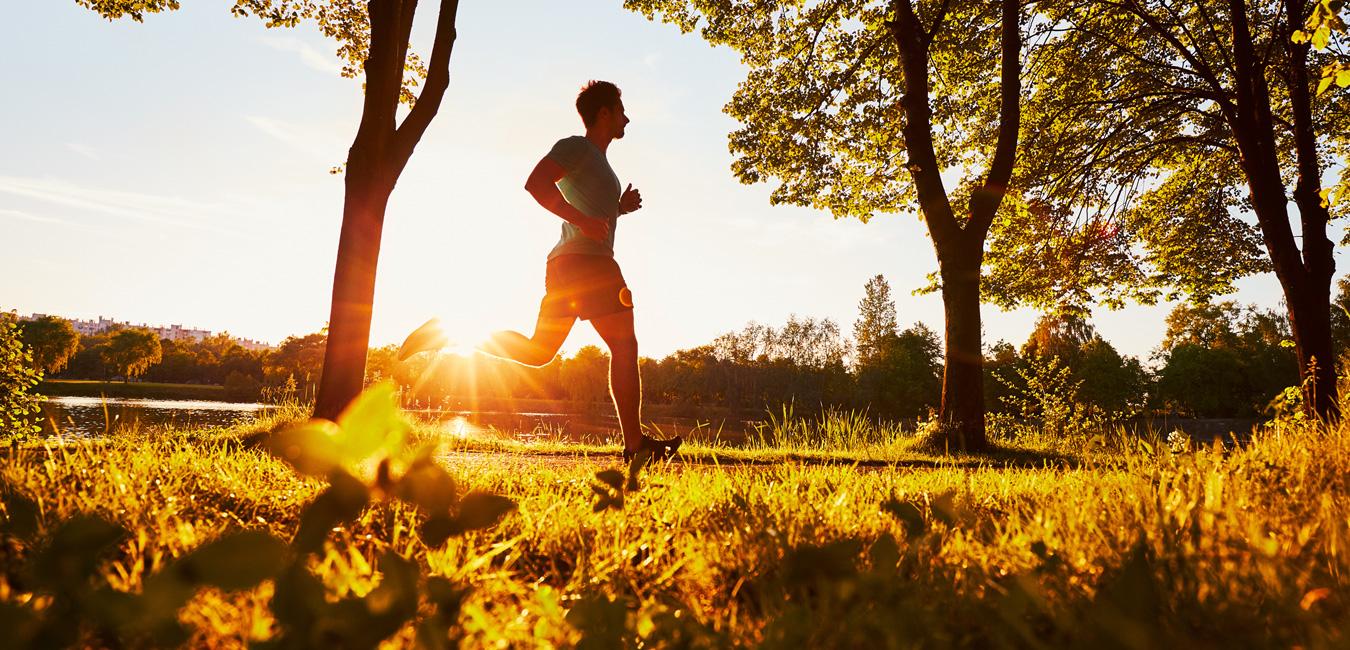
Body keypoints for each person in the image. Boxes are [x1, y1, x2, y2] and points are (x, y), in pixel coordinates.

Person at [399, 80, 680, 463]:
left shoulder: (598, 162)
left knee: (538, 352)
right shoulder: (577, 147)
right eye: (621, 110)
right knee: (625, 346)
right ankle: (635, 447)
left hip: (568, 264)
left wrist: (619, 209)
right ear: (604, 113)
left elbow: (593, 211)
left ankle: (448, 334)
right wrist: (582, 221)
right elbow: (535, 183)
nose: (626, 118)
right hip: (590, 263)